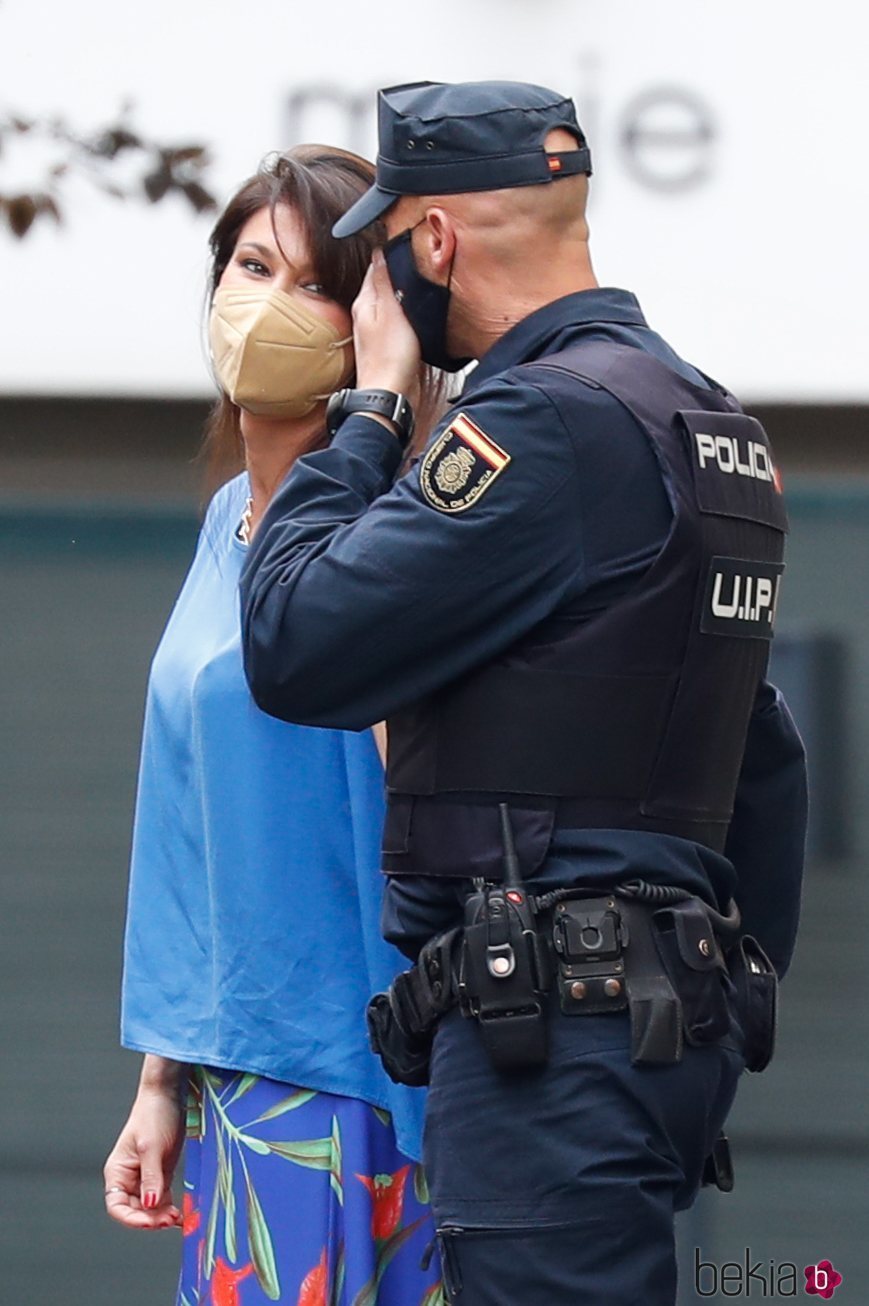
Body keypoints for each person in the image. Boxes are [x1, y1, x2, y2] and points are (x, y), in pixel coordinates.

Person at [238, 82, 808, 1306]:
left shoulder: (538, 422)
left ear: (432, 241)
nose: (385, 282)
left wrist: (373, 409)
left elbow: (294, 640)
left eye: (388, 249)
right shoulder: (705, 418)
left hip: (556, 1036)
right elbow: (759, 752)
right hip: (654, 1028)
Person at [103, 145, 444, 1306]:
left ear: (373, 325)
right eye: (251, 264)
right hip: (237, 1077)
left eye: (314, 283)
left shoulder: (402, 531)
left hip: (366, 1077)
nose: (267, 306)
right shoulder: (225, 526)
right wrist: (163, 1079)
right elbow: (197, 820)